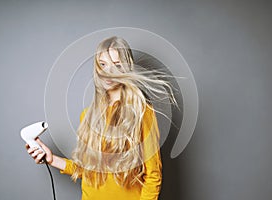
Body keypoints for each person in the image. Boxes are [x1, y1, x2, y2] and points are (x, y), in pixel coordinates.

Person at [26, 36, 177, 200]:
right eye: (103, 64)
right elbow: (88, 170)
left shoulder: (142, 112)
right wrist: (52, 159)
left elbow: (153, 175)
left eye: (116, 65)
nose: (108, 72)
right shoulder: (88, 115)